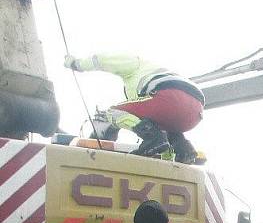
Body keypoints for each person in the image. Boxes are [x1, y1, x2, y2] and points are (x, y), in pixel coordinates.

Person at [64, 53, 204, 163]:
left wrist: (77, 64)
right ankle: (184, 150)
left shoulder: (137, 65)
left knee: (113, 112)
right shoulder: (155, 73)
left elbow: (104, 60)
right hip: (194, 111)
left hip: (170, 96)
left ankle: (153, 140)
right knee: (161, 124)